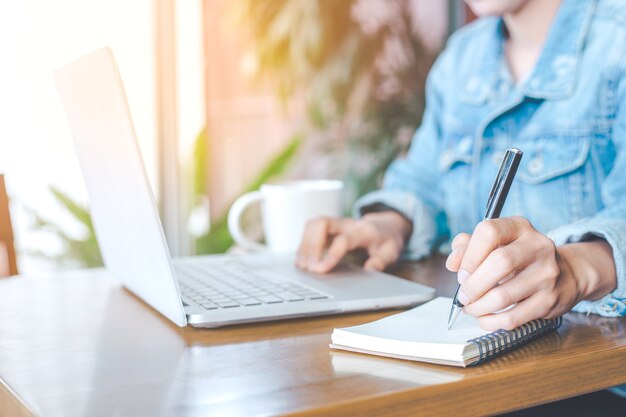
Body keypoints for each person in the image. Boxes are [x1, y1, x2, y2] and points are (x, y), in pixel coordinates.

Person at [296, 0, 626, 333]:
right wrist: (386, 224)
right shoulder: (461, 58)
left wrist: (576, 271)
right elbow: (423, 181)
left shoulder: (618, 41)